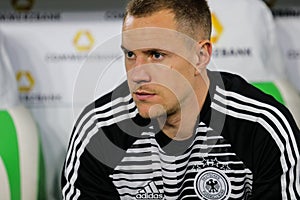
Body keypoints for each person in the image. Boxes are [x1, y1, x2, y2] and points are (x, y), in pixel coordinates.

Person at [61, 0, 300, 199]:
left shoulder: (262, 126)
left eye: (156, 55)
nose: (138, 74)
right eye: (130, 55)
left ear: (200, 56)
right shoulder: (98, 131)